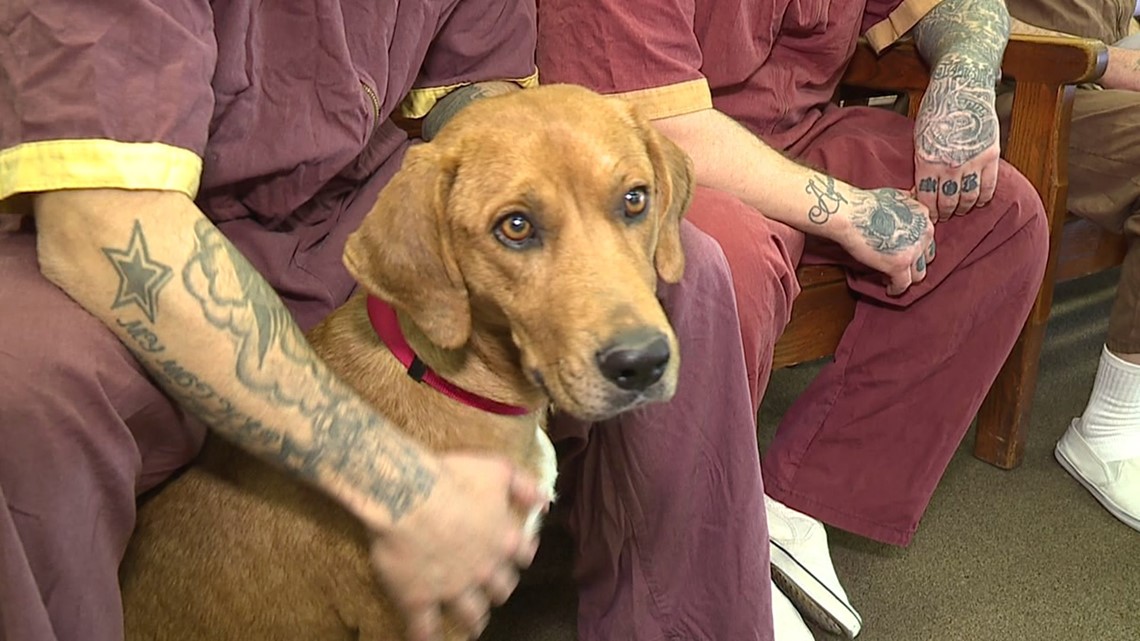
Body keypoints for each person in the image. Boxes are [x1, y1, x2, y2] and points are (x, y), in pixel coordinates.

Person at [0, 1, 778, 641]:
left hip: (339, 203)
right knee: (27, 380)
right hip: (150, 228)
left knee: (698, 266)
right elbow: (105, 225)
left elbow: (475, 97)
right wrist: (397, 483)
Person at [538, 0, 1050, 637]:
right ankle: (681, 585)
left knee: (1002, 218)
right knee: (718, 265)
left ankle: (780, 504)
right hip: (661, 153)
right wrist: (849, 214)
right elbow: (651, 126)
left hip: (797, 134)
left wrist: (965, 72)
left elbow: (961, 5)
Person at [1002, 0, 1140, 532]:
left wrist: (1123, 46)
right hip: (1018, 89)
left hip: (1100, 87)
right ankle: (1108, 432)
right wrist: (1110, 59)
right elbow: (938, 11)